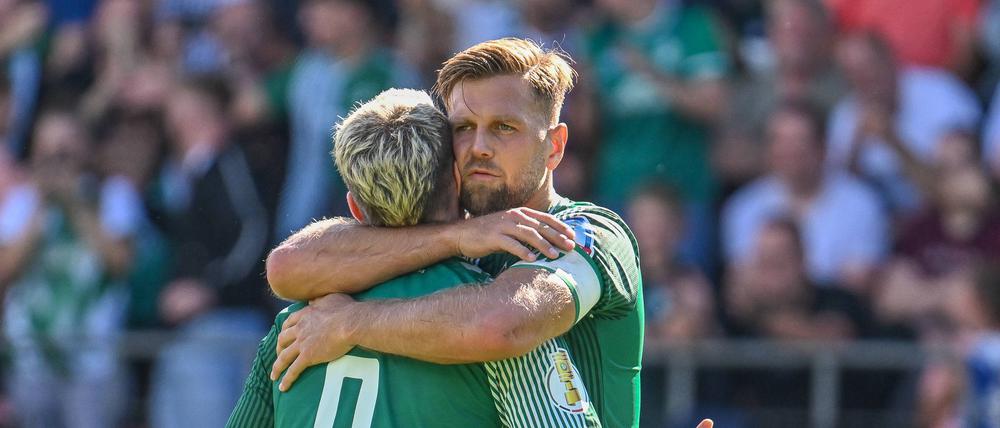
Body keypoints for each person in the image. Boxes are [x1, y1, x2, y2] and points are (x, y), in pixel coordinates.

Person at [265, 38, 644, 427]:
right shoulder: (455, 239)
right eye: (463, 127)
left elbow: (502, 324)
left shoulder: (589, 232)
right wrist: (453, 237)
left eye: (504, 127)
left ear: (555, 146)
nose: (479, 147)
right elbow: (286, 267)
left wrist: (349, 323)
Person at [0, 109, 136, 427]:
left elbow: (120, 263)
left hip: (94, 358)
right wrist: (39, 211)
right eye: (48, 146)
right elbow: (5, 270)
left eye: (66, 144)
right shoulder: (22, 200)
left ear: (85, 147)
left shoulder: (114, 194)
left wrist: (75, 204)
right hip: (32, 357)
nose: (57, 156)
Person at [148, 77, 270, 428]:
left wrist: (210, 289)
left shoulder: (228, 161)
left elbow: (253, 232)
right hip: (185, 331)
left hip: (227, 324)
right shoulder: (182, 171)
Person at [722, 100, 888, 290]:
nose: (788, 151)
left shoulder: (861, 203)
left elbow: (859, 281)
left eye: (799, 141)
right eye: (779, 140)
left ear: (823, 147)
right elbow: (743, 283)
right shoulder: (743, 207)